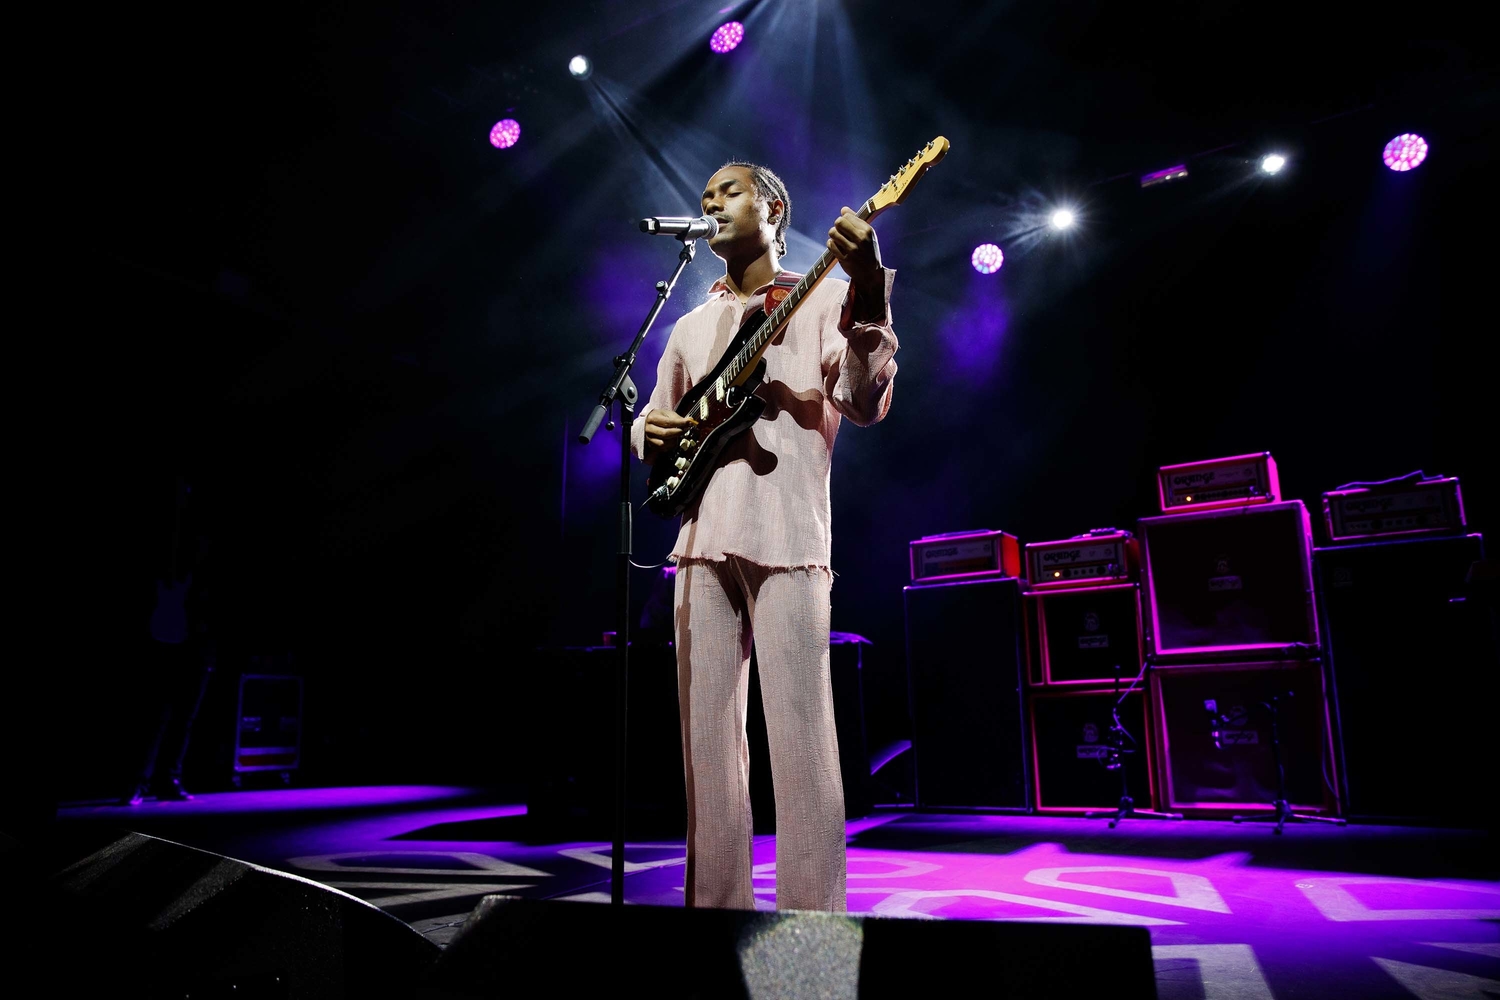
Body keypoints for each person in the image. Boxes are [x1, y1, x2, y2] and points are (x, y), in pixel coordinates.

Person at [632, 161, 898, 910]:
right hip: (698, 541)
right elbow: (652, 423)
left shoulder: (828, 298)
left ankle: (811, 932)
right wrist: (649, 433)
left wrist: (870, 289)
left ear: (774, 208)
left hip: (788, 535)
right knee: (707, 751)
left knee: (803, 743)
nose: (712, 203)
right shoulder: (688, 326)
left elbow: (864, 401)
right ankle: (714, 924)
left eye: (730, 192)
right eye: (705, 196)